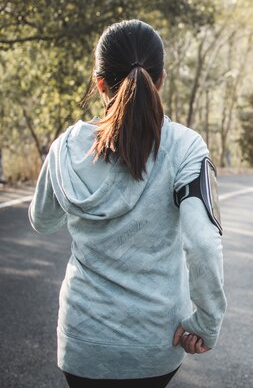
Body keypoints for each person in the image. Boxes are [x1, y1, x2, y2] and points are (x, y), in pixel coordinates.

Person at [28, 20, 227, 388]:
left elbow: (44, 221)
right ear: (161, 80)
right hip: (154, 342)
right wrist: (207, 323)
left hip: (82, 341)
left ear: (100, 83)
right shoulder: (185, 147)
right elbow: (202, 244)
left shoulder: (66, 148)